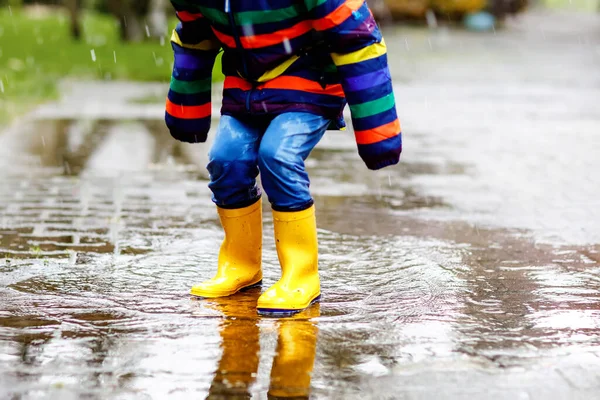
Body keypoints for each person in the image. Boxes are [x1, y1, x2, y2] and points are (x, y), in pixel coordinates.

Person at [165, 0, 402, 316]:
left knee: (278, 155)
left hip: (310, 82)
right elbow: (195, 36)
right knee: (227, 159)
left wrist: (378, 132)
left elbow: (358, 37)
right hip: (245, 88)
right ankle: (241, 265)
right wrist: (186, 110)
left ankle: (301, 274)